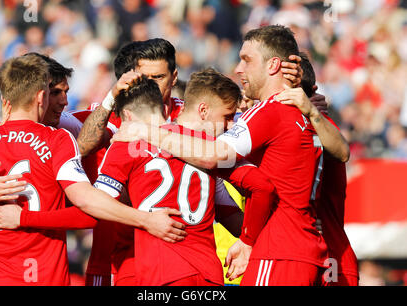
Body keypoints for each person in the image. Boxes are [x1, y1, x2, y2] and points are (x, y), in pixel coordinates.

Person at [112, 25, 329, 286]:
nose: (238, 68)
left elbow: (214, 157)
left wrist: (143, 131)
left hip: (270, 253)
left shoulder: (266, 113)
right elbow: (342, 152)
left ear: (272, 65)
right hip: (273, 256)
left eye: (246, 60)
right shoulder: (302, 115)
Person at [0, 53, 186, 285]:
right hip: (45, 277)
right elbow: (88, 210)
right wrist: (146, 220)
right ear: (41, 96)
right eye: (54, 92)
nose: (64, 101)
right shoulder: (58, 139)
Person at [96, 74, 275, 286]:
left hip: (161, 272)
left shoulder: (129, 140)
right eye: (227, 117)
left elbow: (93, 205)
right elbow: (260, 188)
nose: (229, 126)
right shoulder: (212, 151)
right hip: (209, 274)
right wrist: (249, 240)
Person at [280, 53, 358, 286]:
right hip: (305, 255)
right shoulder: (290, 125)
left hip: (328, 259)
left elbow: (343, 153)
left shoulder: (321, 127)